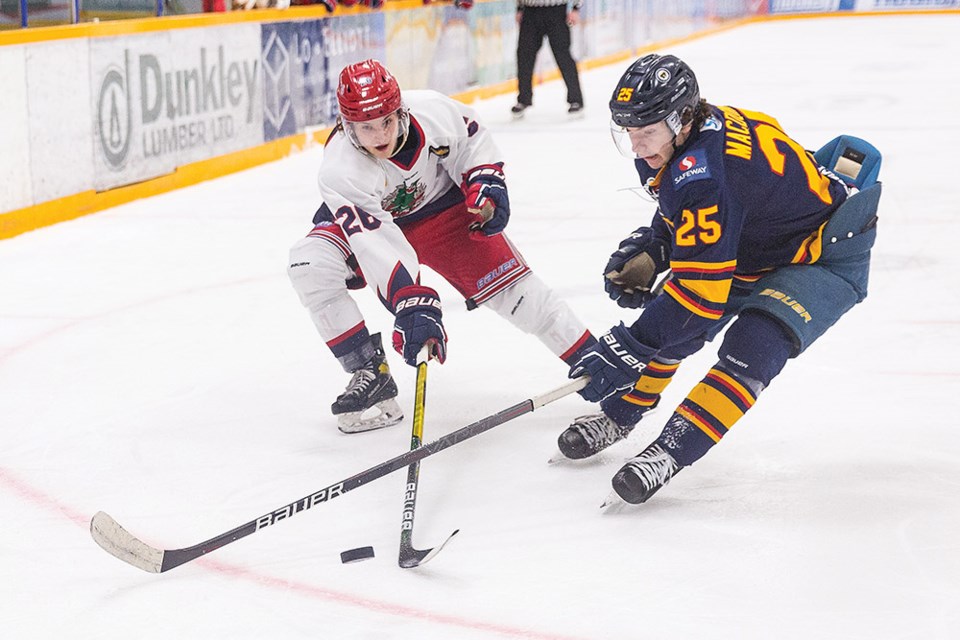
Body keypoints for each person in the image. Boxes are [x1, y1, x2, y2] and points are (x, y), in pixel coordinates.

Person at [562, 53, 882, 506]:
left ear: (681, 118)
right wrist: (659, 242)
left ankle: (670, 452)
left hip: (823, 252)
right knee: (672, 326)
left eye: (646, 132)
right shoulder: (685, 135)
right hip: (757, 239)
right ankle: (622, 415)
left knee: (752, 346)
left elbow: (698, 295)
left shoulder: (707, 171)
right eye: (629, 133)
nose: (636, 146)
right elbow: (689, 202)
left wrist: (628, 347)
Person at [288, 59, 595, 433]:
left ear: (400, 109)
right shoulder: (340, 168)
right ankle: (370, 371)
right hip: (372, 222)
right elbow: (374, 241)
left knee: (519, 295)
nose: (379, 134)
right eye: (365, 127)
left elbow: (471, 140)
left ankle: (593, 360)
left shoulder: (432, 110)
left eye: (386, 120)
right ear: (346, 125)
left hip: (443, 212)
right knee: (310, 264)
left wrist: (485, 182)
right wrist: (411, 300)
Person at [512, 0, 584, 118]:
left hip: (556, 10)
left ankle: (575, 99)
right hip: (530, 11)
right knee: (524, 55)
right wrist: (519, 8)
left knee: (563, 56)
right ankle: (523, 99)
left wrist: (576, 8)